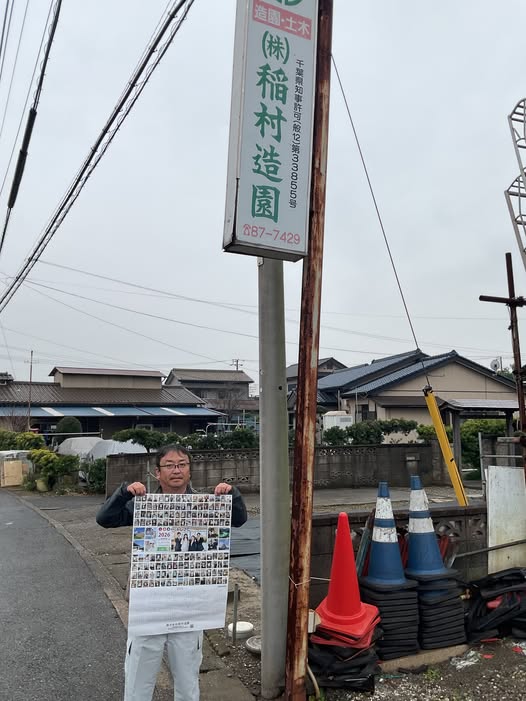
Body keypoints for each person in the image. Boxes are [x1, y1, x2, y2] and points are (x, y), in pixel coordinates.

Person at [96, 443, 247, 701]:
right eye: (169, 465)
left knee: (188, 682)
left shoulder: (205, 504)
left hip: (189, 605)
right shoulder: (145, 504)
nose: (176, 470)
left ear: (189, 470)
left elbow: (239, 519)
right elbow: (105, 519)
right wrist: (124, 493)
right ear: (157, 472)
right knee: (138, 682)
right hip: (149, 605)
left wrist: (232, 494)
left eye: (182, 464)